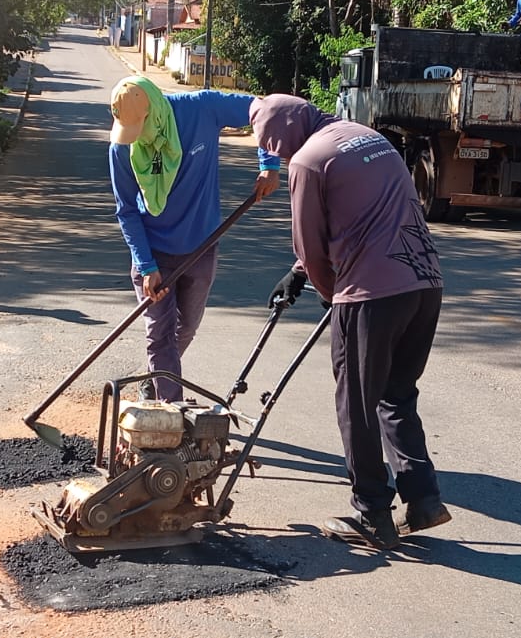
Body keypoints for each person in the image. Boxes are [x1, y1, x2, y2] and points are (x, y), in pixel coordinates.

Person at [253, 93, 447, 550]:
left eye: (273, 147)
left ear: (282, 135)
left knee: (356, 402)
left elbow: (310, 245)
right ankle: (423, 499)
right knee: (396, 394)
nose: (278, 156)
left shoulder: (307, 161)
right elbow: (365, 219)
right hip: (425, 283)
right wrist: (299, 275)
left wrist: (326, 290)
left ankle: (372, 513)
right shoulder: (368, 138)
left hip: (372, 294)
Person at [107, 76, 281, 402]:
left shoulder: (200, 108)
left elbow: (264, 111)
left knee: (185, 329)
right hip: (153, 253)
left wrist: (269, 164)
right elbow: (127, 211)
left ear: (155, 110)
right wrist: (146, 266)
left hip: (201, 246)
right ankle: (170, 413)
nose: (135, 138)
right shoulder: (122, 148)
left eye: (140, 127)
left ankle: (155, 381)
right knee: (159, 336)